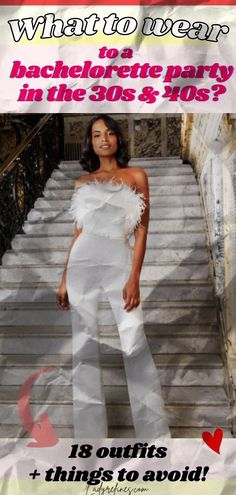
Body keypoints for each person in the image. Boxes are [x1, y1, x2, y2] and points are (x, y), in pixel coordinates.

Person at [57, 114, 170, 438]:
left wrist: (134, 276)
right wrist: (65, 277)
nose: (103, 138)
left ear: (118, 138)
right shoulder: (83, 182)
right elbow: (78, 231)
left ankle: (155, 443)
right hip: (82, 264)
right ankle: (91, 450)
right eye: (96, 134)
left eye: (108, 132)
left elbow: (142, 228)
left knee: (134, 342)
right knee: (84, 351)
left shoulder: (136, 175)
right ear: (90, 143)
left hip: (118, 261)